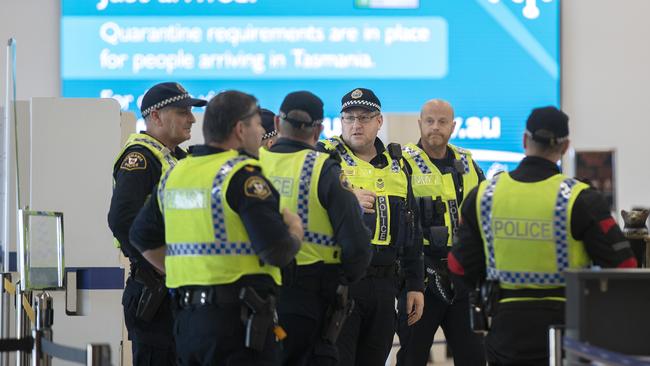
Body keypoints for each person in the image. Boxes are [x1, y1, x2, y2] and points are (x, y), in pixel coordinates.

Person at [448, 106, 638, 366]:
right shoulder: (580, 199)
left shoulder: (484, 195)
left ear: (525, 140)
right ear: (565, 146)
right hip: (567, 330)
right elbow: (624, 267)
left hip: (504, 328)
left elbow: (458, 267)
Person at [129, 90, 304, 366]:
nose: (261, 131)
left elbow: (141, 237)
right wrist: (295, 230)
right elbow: (277, 251)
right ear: (240, 129)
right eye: (258, 124)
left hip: (187, 322)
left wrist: (185, 273)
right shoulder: (242, 176)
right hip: (237, 325)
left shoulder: (177, 173)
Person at [258, 91, 373, 365]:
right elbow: (356, 246)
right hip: (308, 296)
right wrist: (338, 280)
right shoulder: (323, 169)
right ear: (319, 129)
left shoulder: (251, 166)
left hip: (255, 295)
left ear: (276, 122)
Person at [317, 87, 424, 366]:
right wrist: (346, 198)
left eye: (364, 117)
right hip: (342, 282)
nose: (356, 124)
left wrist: (415, 285)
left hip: (385, 284)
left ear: (379, 121)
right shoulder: (324, 159)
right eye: (349, 117)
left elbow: (412, 230)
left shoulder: (398, 166)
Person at [108, 81, 206, 365]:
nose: (191, 118)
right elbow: (122, 219)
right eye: (182, 111)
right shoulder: (141, 159)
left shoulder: (177, 158)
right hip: (155, 292)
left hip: (176, 290)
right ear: (156, 116)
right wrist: (159, 266)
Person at [397, 99, 486, 366]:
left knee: (474, 357)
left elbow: (483, 213)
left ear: (453, 126)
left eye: (442, 122)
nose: (436, 127)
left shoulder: (468, 164)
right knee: (412, 357)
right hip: (419, 277)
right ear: (420, 124)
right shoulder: (401, 163)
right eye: (430, 121)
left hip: (462, 277)